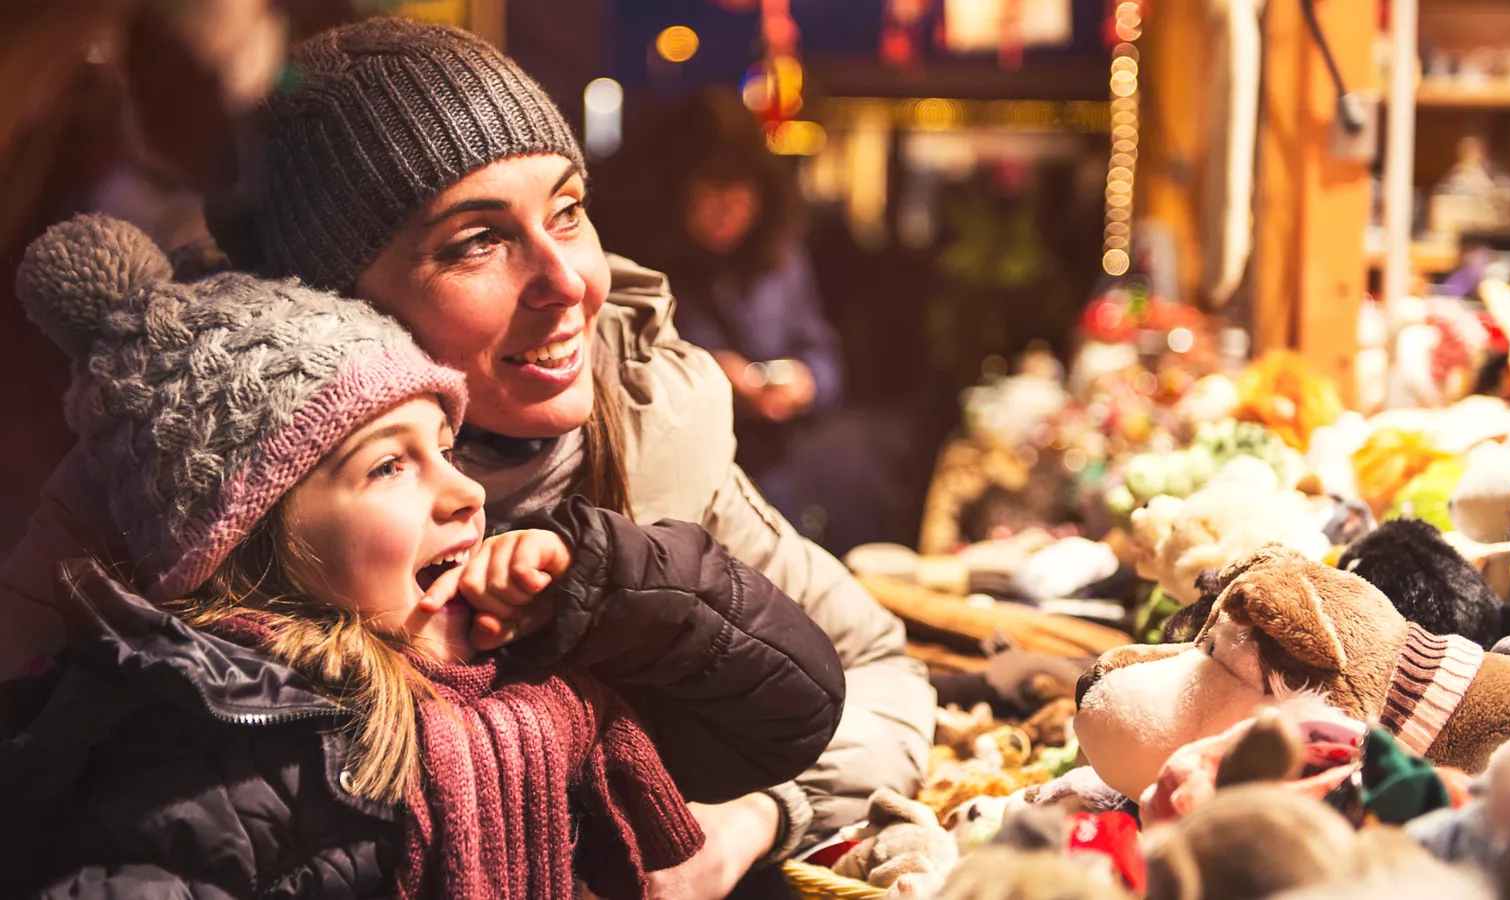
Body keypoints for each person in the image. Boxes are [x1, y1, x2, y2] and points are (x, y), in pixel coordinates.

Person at [0, 16, 934, 887]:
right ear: (331, 303)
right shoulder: (184, 479)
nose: (570, 282)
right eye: (477, 242)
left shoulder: (651, 429)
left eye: (567, 211)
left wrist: (741, 828)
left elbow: (878, 676)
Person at [0, 214, 845, 898]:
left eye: (445, 446)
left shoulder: (520, 673)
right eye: (390, 465)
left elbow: (794, 713)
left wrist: (609, 584)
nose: (465, 492)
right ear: (251, 539)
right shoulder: (211, 759)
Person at [594, 88, 846, 531]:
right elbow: (606, 389)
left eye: (745, 187)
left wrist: (803, 383)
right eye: (715, 186)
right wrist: (703, 377)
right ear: (676, 189)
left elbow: (823, 354)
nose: (733, 205)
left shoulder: (777, 259)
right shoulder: (633, 273)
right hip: (668, 491)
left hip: (772, 477)